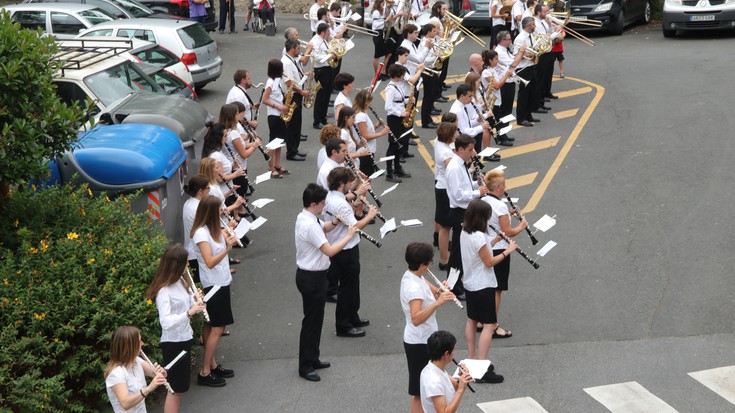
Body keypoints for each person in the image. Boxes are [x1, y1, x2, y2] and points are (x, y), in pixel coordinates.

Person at [295, 183, 358, 382]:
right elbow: (329, 250)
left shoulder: (308, 216)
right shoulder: (309, 225)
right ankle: (305, 366)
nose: (324, 206)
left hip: (316, 277)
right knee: (311, 323)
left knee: (316, 320)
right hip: (311, 278)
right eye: (322, 203)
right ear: (313, 204)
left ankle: (313, 358)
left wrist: (336, 222)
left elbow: (326, 227)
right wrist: (348, 235)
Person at [145, 245, 206, 412]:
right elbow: (166, 322)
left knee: (180, 389)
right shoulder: (164, 291)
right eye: (185, 264)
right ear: (176, 265)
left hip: (184, 338)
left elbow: (188, 304)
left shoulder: (181, 281)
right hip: (173, 344)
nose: (188, 266)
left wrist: (196, 300)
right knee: (175, 390)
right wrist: (188, 313)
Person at [460, 199, 515, 383]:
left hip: (470, 283)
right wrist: (508, 250)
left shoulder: (465, 231)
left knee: (471, 320)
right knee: (489, 325)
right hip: (483, 285)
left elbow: (481, 249)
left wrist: (496, 239)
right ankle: (482, 367)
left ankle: (473, 357)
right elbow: (489, 261)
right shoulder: (478, 236)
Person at [400, 242, 456, 413]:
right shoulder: (413, 287)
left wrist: (441, 291)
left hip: (425, 338)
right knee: (418, 391)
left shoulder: (417, 276)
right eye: (429, 263)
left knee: (422, 388)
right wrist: (438, 303)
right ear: (422, 265)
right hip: (418, 341)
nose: (430, 266)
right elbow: (416, 318)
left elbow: (435, 292)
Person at [324, 167, 378, 338]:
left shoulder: (332, 196)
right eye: (348, 183)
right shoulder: (340, 203)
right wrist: (369, 216)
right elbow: (354, 226)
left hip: (341, 245)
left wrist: (356, 195)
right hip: (346, 248)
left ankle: (353, 316)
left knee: (352, 285)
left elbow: (347, 206)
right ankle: (343, 325)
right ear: (341, 184)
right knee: (347, 287)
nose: (350, 186)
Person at [190, 195, 238, 386]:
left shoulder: (212, 228)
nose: (222, 211)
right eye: (220, 209)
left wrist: (231, 231)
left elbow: (220, 241)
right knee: (218, 327)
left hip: (221, 281)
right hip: (213, 284)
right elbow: (209, 261)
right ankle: (205, 371)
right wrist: (227, 249)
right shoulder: (201, 233)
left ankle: (212, 364)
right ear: (211, 212)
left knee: (211, 326)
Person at [481, 170, 527, 339]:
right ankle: (492, 325)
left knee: (486, 286)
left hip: (485, 246)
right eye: (504, 185)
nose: (505, 187)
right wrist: (521, 226)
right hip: (499, 247)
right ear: (498, 187)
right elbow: (508, 231)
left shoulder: (483, 200)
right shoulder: (500, 205)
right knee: (496, 289)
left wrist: (510, 213)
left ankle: (481, 321)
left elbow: (495, 219)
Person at [445, 134, 490, 299]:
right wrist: (479, 192)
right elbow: (458, 195)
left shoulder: (461, 164)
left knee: (461, 249)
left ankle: (457, 283)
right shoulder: (455, 167)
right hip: (459, 212)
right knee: (457, 252)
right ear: (460, 149)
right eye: (470, 149)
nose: (473, 153)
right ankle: (453, 286)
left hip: (465, 210)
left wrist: (477, 184)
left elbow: (464, 186)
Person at [105, 326, 167, 413]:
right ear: (129, 346)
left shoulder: (137, 361)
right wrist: (149, 388)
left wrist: (162, 372)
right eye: (139, 341)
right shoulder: (116, 373)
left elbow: (160, 375)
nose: (142, 343)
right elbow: (125, 404)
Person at [419, 330, 473, 413]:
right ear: (447, 354)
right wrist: (460, 390)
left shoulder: (433, 368)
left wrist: (462, 379)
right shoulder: (434, 380)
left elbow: (456, 385)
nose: (454, 353)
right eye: (454, 350)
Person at [449, 84, 498, 161]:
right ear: (462, 96)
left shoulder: (462, 106)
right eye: (469, 96)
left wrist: (478, 120)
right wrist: (482, 127)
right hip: (461, 142)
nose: (471, 98)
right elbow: (464, 132)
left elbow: (468, 124)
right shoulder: (458, 110)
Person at [433, 121, 457, 271]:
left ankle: (444, 258)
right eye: (454, 133)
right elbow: (452, 170)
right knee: (445, 226)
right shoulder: (446, 153)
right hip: (445, 190)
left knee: (444, 225)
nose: (456, 135)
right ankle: (444, 260)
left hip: (441, 187)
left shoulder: (440, 144)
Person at [384, 64, 414, 182]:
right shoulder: (391, 88)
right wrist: (400, 113)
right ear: (397, 76)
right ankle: (389, 172)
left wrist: (409, 100)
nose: (403, 77)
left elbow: (400, 99)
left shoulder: (399, 85)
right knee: (393, 145)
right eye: (402, 75)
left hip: (400, 118)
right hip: (394, 119)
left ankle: (397, 168)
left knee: (399, 144)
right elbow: (388, 106)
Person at [261, 59, 290, 178]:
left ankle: (277, 165)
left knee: (279, 141)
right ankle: (270, 167)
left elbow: (276, 96)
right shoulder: (270, 83)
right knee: (272, 143)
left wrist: (285, 96)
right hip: (274, 115)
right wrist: (279, 106)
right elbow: (265, 99)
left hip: (279, 115)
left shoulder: (277, 81)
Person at [481, 50, 516, 147]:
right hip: (490, 102)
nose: (498, 61)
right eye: (496, 59)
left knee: (497, 121)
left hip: (496, 100)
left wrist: (507, 74)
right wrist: (506, 75)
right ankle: (500, 139)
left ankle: (501, 137)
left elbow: (498, 81)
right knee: (492, 124)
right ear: (490, 60)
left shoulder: (492, 70)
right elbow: (496, 86)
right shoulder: (486, 72)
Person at [282, 38, 309, 161]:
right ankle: (291, 152)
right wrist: (301, 91)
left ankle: (295, 149)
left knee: (297, 124)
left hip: (296, 95)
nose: (299, 51)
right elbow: (289, 82)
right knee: (292, 125)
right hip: (292, 96)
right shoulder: (286, 62)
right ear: (292, 49)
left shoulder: (291, 60)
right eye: (298, 48)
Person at [494, 31, 525, 137]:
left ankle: (504, 134)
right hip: (505, 84)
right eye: (508, 39)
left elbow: (513, 60)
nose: (510, 41)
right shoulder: (500, 52)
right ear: (503, 41)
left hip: (509, 82)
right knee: (504, 111)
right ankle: (501, 135)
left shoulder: (505, 50)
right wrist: (521, 52)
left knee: (508, 110)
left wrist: (519, 54)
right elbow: (514, 63)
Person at [354, 89, 390, 176]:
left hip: (367, 150)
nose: (370, 104)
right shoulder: (361, 116)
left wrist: (376, 126)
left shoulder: (361, 114)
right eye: (369, 102)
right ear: (364, 102)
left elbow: (365, 130)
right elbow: (365, 136)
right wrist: (381, 133)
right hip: (365, 152)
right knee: (366, 178)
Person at [183, 175, 211, 283]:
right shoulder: (197, 208)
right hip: (196, 252)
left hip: (193, 250)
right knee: (204, 283)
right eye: (208, 188)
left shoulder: (190, 203)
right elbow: (208, 227)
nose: (210, 190)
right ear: (200, 191)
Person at [514, 16, 539, 127]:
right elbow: (516, 54)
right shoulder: (520, 38)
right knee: (523, 94)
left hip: (531, 66)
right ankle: (521, 118)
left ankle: (528, 115)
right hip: (523, 68)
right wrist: (526, 54)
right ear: (527, 25)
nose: (535, 26)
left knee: (532, 93)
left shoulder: (531, 36)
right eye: (533, 24)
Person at [308, 23, 332, 129]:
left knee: (326, 95)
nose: (329, 33)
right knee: (321, 96)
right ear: (323, 32)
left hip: (327, 69)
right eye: (327, 31)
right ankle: (316, 121)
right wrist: (329, 55)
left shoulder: (323, 39)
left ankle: (323, 118)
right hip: (321, 70)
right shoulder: (314, 41)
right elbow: (315, 57)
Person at [371, 0, 391, 79]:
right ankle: (377, 74)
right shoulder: (376, 12)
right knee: (377, 56)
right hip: (377, 34)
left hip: (380, 34)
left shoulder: (380, 11)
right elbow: (376, 25)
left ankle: (382, 71)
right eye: (383, 3)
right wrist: (385, 20)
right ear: (379, 4)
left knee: (388, 53)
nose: (384, 5)